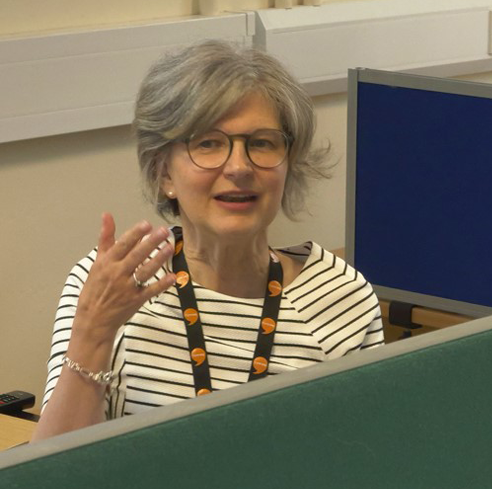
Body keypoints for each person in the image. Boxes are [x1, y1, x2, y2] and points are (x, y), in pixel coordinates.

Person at [34, 40, 384, 441]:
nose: (238, 167)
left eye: (262, 143)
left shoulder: (342, 296)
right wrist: (94, 333)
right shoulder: (112, 288)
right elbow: (56, 478)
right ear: (164, 173)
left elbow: (365, 467)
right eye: (208, 144)